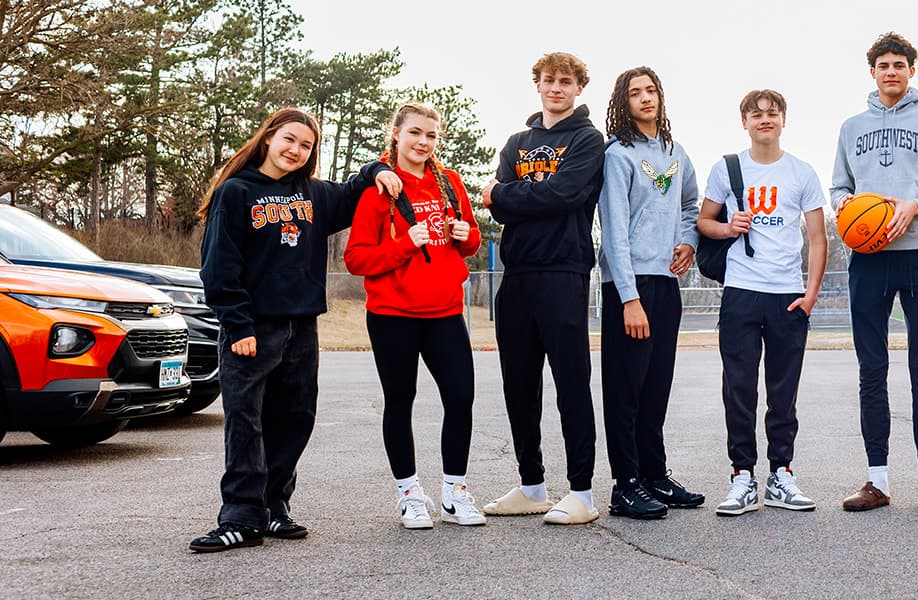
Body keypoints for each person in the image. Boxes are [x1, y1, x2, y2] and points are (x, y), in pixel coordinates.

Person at [190, 108, 401, 552]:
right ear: (268, 138)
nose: (296, 150)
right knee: (247, 422)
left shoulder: (315, 194)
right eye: (289, 139)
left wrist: (380, 168)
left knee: (295, 419)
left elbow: (357, 186)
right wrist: (238, 323)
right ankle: (241, 517)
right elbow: (220, 267)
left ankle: (273, 508)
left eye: (306, 145)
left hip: (302, 326)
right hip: (252, 329)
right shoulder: (236, 191)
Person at [830, 32, 918, 514]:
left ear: (912, 71)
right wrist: (846, 205)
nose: (891, 72)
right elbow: (839, 187)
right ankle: (877, 480)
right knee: (873, 369)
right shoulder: (851, 127)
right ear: (872, 72)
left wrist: (914, 205)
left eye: (899, 65)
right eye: (883, 65)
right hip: (869, 258)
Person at [480, 52, 607, 525]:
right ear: (538, 85)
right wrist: (512, 200)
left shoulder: (589, 140)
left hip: (563, 272)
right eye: (549, 80)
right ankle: (532, 485)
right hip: (518, 277)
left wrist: (506, 194)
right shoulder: (517, 142)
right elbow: (501, 211)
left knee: (571, 384)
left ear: (578, 89)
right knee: (519, 385)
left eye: (566, 82)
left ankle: (582, 493)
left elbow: (566, 194)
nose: (556, 88)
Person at [344, 102, 483, 530]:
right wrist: (406, 242)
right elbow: (355, 259)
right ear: (397, 135)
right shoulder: (379, 188)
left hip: (444, 312)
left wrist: (467, 236)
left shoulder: (450, 183)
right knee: (400, 402)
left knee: (461, 397)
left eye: (431, 136)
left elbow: (471, 240)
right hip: (393, 314)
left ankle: (454, 492)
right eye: (415, 134)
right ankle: (409, 493)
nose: (423, 142)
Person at [697, 89, 826, 517]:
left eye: (772, 113)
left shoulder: (801, 172)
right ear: (744, 122)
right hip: (741, 291)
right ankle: (742, 476)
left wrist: (810, 293)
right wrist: (728, 226)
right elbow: (703, 223)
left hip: (787, 294)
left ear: (784, 119)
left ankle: (781, 473)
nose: (765, 119)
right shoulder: (727, 168)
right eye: (756, 114)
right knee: (738, 388)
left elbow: (817, 237)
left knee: (782, 391)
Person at [598, 66, 704, 519]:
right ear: (623, 102)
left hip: (665, 282)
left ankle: (654, 474)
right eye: (635, 93)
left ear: (661, 97)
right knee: (626, 388)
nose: (645, 98)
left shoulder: (676, 152)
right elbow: (615, 229)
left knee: (657, 384)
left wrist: (689, 241)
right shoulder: (617, 155)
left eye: (651, 91)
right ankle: (625, 484)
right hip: (630, 285)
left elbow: (689, 205)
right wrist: (628, 297)